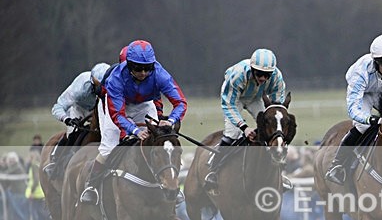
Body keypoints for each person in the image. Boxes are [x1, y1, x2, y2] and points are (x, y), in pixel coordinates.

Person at [80, 40, 187, 204]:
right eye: (138, 68)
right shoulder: (115, 79)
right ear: (129, 65)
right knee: (109, 148)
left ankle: (169, 183)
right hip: (116, 105)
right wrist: (135, 131)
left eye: (147, 68)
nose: (143, 72)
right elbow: (118, 116)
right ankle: (91, 185)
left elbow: (180, 102)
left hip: (144, 104)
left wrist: (171, 120)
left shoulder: (160, 74)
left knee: (159, 141)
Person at [324, 34, 382, 185]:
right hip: (365, 94)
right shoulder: (360, 73)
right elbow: (353, 108)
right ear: (375, 62)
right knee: (363, 125)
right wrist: (370, 118)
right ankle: (338, 164)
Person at [204, 48, 287, 191]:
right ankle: (214, 170)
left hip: (256, 98)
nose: (263, 78)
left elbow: (277, 107)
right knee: (232, 134)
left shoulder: (277, 77)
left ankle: (278, 173)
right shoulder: (238, 76)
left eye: (267, 75)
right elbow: (228, 105)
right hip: (234, 99)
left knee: (272, 131)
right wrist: (244, 127)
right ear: (252, 69)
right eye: (259, 74)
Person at [43, 62, 111, 177]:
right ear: (93, 82)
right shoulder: (79, 89)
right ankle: (55, 162)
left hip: (102, 107)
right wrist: (67, 119)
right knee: (73, 132)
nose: (103, 90)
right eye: (100, 86)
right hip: (81, 109)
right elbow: (58, 107)